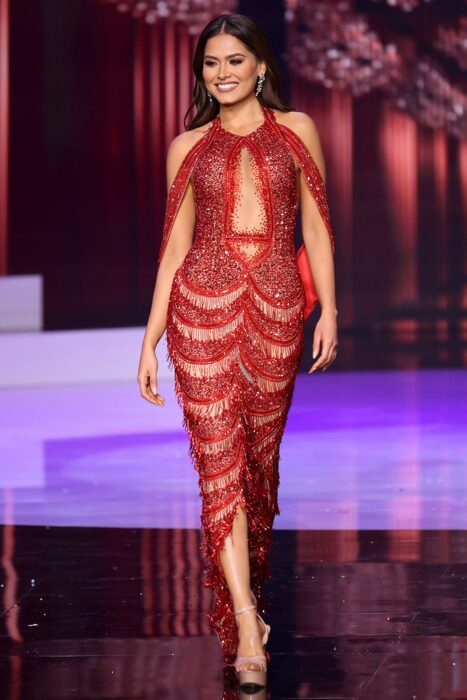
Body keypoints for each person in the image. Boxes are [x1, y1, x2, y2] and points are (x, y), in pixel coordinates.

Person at [137, 13, 338, 689]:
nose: (220, 74)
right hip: (201, 307)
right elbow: (173, 247)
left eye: (232, 61)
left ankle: (246, 596)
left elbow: (314, 223)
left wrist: (330, 308)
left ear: (259, 67)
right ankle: (248, 621)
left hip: (278, 308)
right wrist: (150, 337)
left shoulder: (297, 129)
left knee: (255, 460)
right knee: (218, 460)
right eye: (209, 64)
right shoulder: (186, 145)